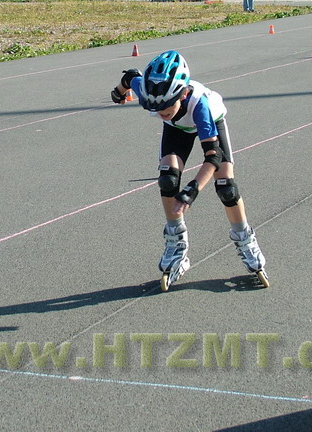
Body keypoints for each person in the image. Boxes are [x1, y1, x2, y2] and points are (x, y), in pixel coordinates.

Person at [110, 50, 268, 289]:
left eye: (166, 106)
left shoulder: (200, 106)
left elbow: (213, 158)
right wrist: (118, 93)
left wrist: (193, 189)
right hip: (177, 129)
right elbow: (130, 77)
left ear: (182, 94)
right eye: (155, 107)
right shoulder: (150, 92)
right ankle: (176, 240)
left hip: (210, 123)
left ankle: (245, 239)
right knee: (167, 179)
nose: (160, 112)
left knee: (226, 186)